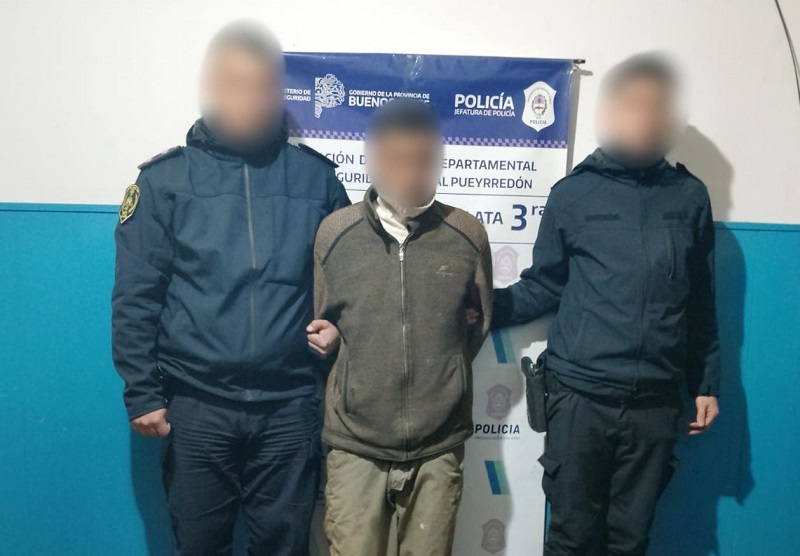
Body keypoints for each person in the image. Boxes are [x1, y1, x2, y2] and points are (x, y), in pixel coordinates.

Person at [111, 20, 350, 556]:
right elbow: (136, 296)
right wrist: (142, 392)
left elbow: (348, 283)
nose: (249, 98)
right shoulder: (164, 182)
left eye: (262, 86)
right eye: (235, 84)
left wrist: (339, 330)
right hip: (196, 406)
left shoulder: (316, 180)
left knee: (285, 547)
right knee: (200, 545)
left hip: (290, 406)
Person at [492, 53, 721, 556]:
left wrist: (705, 382)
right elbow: (544, 286)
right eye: (634, 105)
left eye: (657, 106)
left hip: (655, 405)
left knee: (630, 542)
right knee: (571, 539)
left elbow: (700, 300)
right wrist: (482, 309)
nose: (646, 117)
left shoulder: (690, 197)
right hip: (580, 399)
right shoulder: (573, 194)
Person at [307, 99, 493, 556]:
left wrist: (444, 377)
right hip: (356, 442)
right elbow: (325, 320)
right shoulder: (336, 233)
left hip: (438, 444)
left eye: (420, 159)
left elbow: (477, 325)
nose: (408, 171)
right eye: (396, 159)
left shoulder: (467, 234)